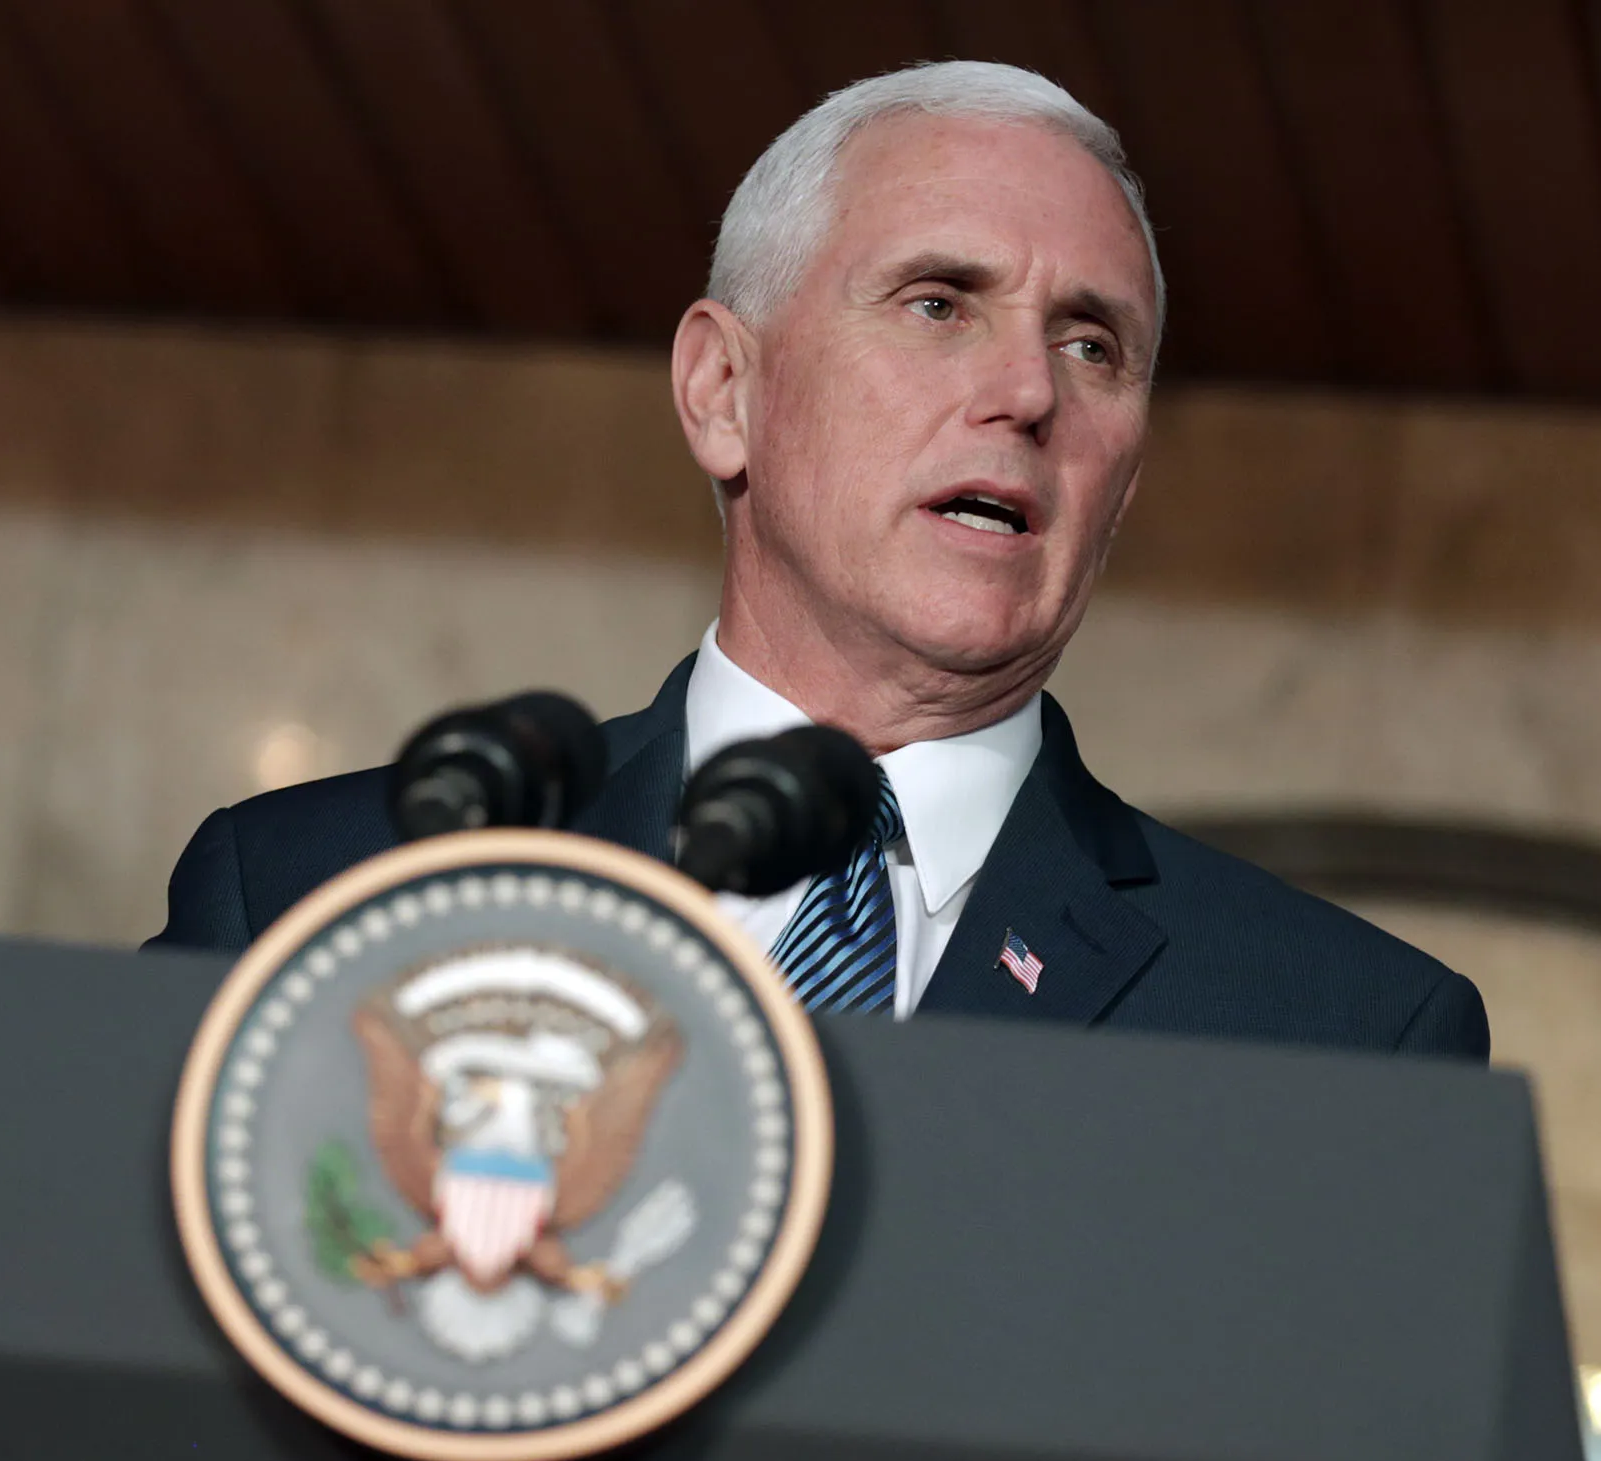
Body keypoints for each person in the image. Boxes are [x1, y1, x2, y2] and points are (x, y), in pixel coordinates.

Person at [148, 61, 1489, 1061]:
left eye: (1094, 345)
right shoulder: (314, 901)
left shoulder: (1344, 1035)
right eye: (938, 304)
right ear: (724, 391)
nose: (1027, 391)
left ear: (1126, 473)